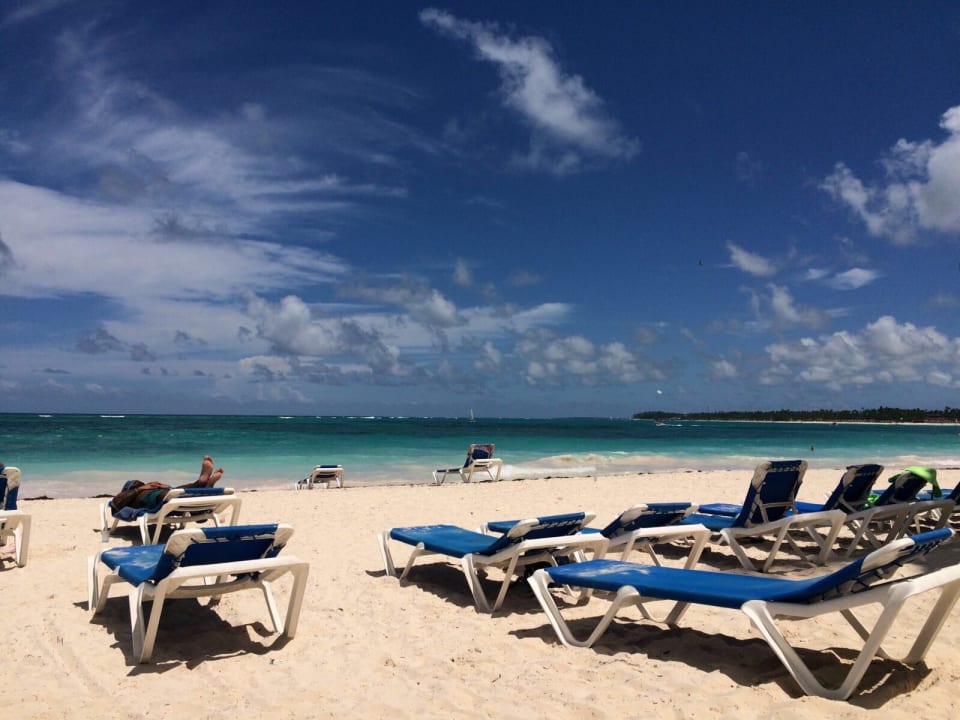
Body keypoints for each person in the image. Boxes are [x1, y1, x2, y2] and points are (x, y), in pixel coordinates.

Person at [110, 455, 224, 513]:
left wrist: (162, 486)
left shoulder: (148, 489)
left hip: (163, 497)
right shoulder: (129, 495)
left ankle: (202, 483)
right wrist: (140, 489)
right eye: (136, 483)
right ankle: (204, 484)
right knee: (171, 493)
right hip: (155, 499)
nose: (139, 482)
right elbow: (115, 505)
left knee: (173, 491)